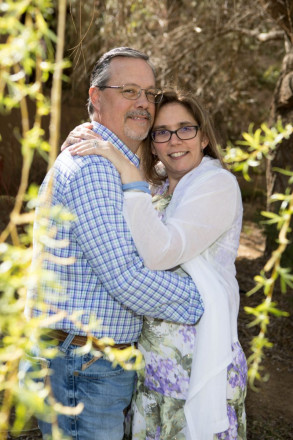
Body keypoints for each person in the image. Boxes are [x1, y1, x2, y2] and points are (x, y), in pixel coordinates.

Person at [24, 49, 204, 440]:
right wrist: (201, 297)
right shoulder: (93, 168)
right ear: (95, 97)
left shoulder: (117, 162)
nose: (143, 103)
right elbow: (124, 278)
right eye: (129, 90)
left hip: (91, 364)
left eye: (149, 94)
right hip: (84, 366)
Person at [67, 89, 248, 440]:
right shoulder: (162, 188)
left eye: (185, 129)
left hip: (197, 363)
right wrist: (91, 133)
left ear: (205, 136)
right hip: (153, 368)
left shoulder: (217, 184)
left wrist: (127, 169)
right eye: (161, 132)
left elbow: (160, 253)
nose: (174, 140)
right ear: (153, 144)